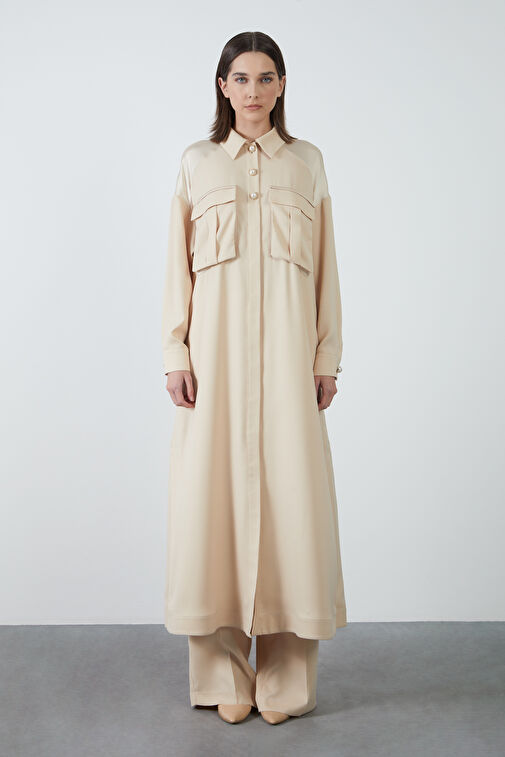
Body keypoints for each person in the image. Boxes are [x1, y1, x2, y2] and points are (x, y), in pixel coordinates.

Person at [161, 31, 346, 725]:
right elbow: (175, 267)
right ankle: (221, 675)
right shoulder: (198, 163)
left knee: (294, 510)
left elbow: (327, 270)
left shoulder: (307, 164)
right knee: (210, 510)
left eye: (266, 77)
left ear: (282, 85)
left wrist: (325, 358)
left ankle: (286, 679)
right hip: (213, 370)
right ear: (223, 86)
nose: (254, 91)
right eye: (241, 78)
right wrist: (175, 353)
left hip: (289, 368)